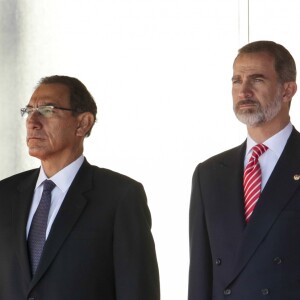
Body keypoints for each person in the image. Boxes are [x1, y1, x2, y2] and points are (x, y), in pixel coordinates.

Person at [0, 75, 160, 300]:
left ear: (83, 123)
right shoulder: (5, 195)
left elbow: (137, 291)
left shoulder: (120, 197)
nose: (32, 121)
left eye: (47, 110)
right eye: (28, 111)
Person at [188, 40, 299, 299]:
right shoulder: (209, 174)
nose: (244, 91)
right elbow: (200, 274)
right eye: (237, 80)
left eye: (257, 79)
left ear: (287, 90)